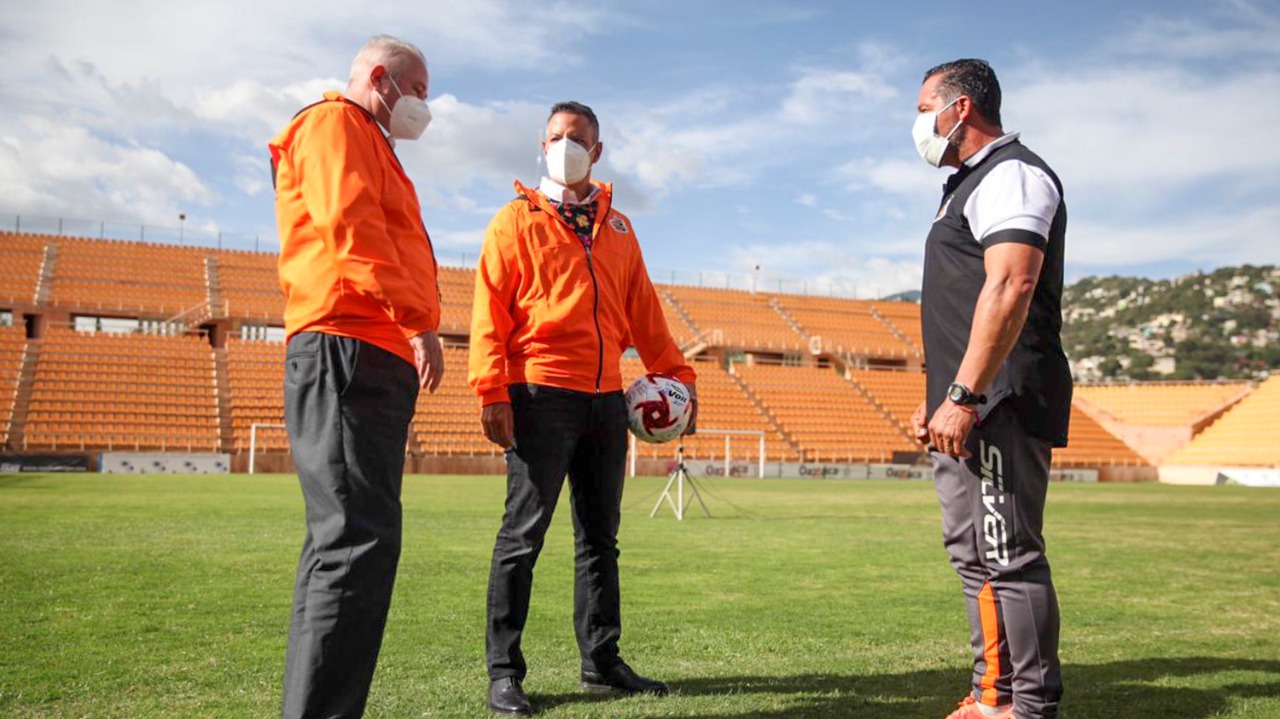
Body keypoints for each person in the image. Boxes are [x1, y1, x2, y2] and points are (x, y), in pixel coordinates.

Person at [469, 101, 698, 717]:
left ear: (596, 152)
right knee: (522, 537)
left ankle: (601, 659)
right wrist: (490, 389)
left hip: (606, 402)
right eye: (555, 136)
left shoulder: (619, 227)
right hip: (539, 394)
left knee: (601, 539)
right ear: (541, 145)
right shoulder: (513, 221)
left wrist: (679, 376)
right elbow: (490, 310)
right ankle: (504, 672)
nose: (564, 145)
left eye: (576, 138)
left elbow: (644, 312)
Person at [269, 34, 444, 719]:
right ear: (379, 77)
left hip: (368, 349)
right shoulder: (335, 123)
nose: (425, 104)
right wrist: (417, 322)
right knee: (354, 543)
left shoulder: (373, 142)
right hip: (348, 345)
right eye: (418, 89)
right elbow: (353, 231)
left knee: (347, 543)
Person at [907, 59, 1071, 719]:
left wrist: (966, 395)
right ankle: (992, 694)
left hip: (998, 401)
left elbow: (1011, 284)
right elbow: (965, 300)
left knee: (1009, 555)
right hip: (967, 400)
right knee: (973, 553)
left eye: (924, 109)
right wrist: (939, 393)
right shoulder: (966, 185)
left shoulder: (1013, 174)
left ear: (961, 108)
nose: (918, 124)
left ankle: (1029, 706)